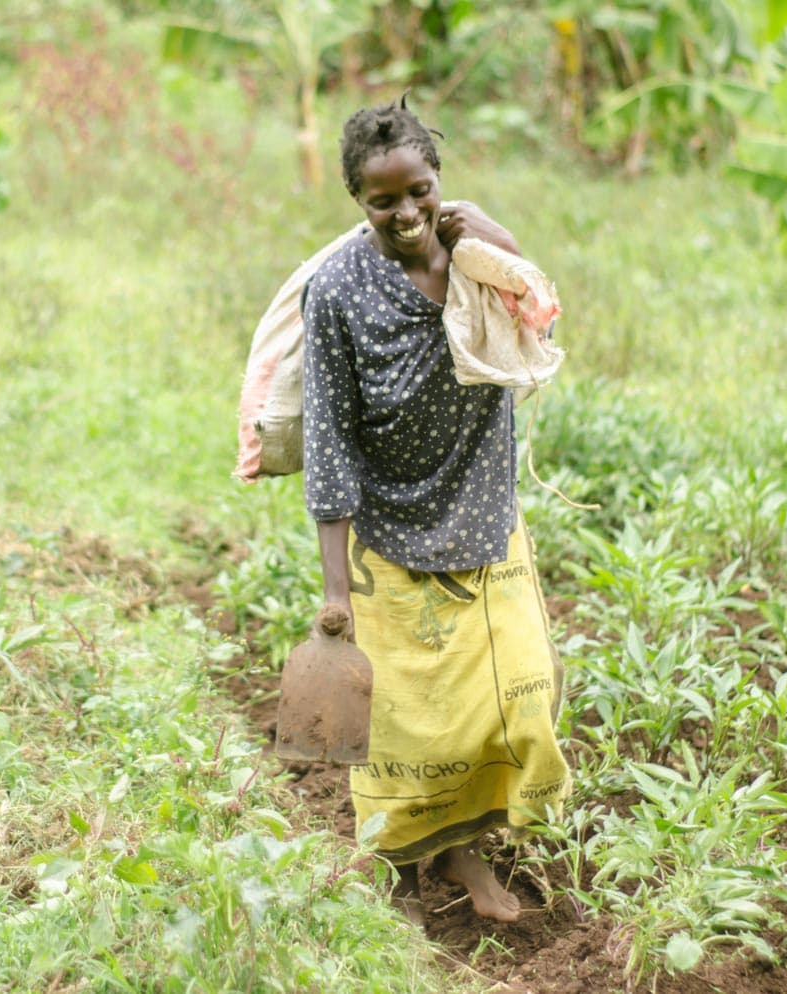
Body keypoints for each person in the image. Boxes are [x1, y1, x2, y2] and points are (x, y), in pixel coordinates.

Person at [300, 97, 571, 926]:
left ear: (437, 181)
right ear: (358, 200)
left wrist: (490, 228)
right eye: (384, 201)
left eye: (419, 191)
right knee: (409, 729)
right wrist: (338, 589)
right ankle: (405, 872)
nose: (407, 213)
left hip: (485, 514)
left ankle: (470, 850)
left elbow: (535, 305)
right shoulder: (338, 290)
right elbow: (330, 438)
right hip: (392, 530)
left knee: (513, 703)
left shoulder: (472, 252)